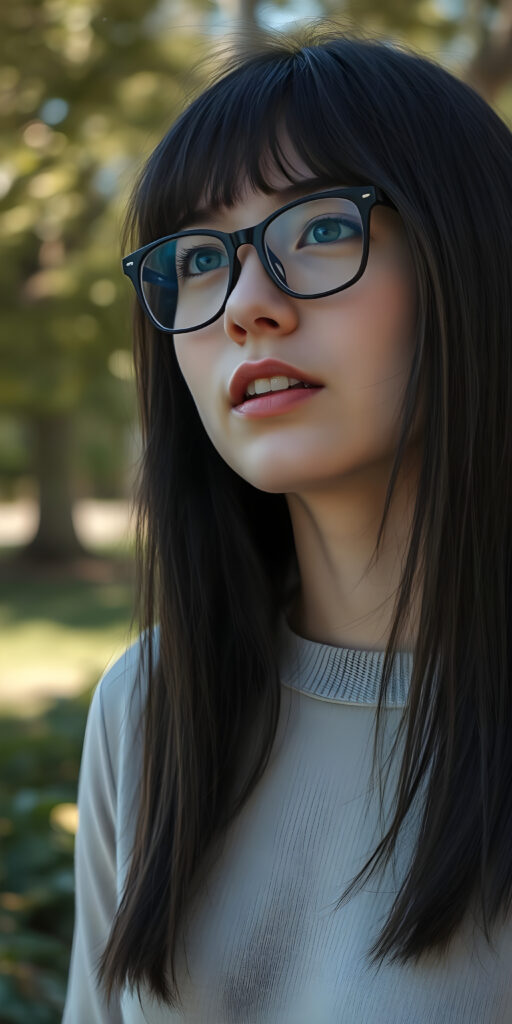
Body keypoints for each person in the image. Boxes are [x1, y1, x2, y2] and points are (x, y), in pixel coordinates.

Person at [61, 22, 512, 1024]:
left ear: (473, 260)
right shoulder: (147, 708)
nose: (242, 307)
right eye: (195, 257)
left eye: (317, 229)